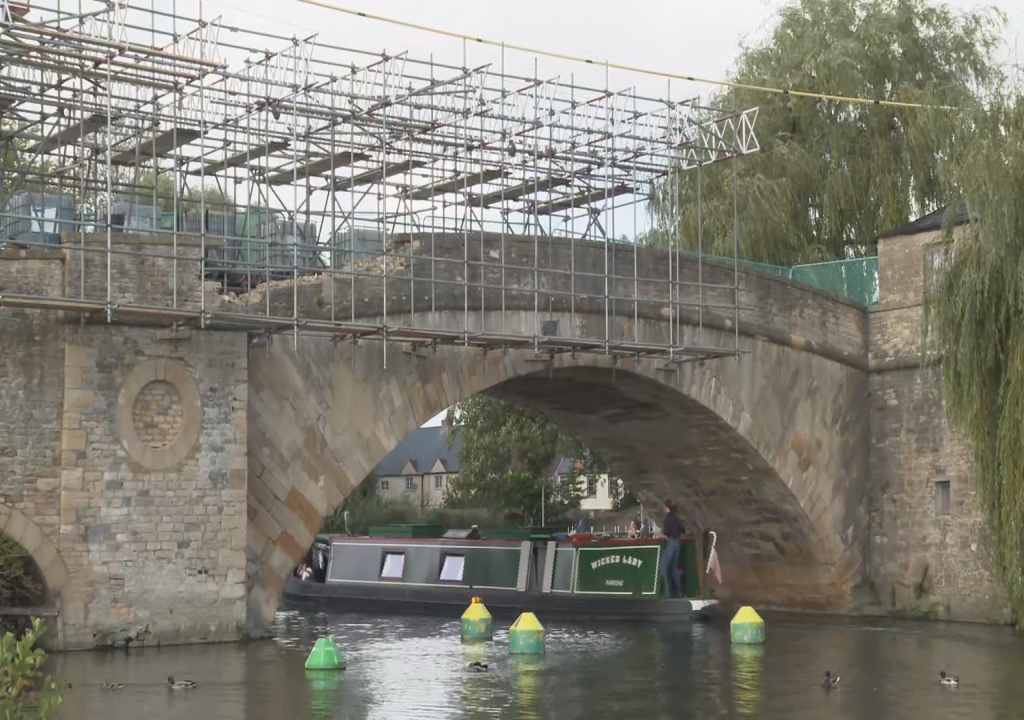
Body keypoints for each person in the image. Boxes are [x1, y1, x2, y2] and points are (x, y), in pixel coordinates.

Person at [660, 499, 686, 598]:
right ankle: (679, 591)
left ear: (667, 507)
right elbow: (683, 530)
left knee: (663, 566)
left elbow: (666, 532)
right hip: (677, 543)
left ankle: (667, 592)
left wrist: (662, 536)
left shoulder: (668, 517)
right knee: (675, 567)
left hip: (670, 543)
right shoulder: (676, 517)